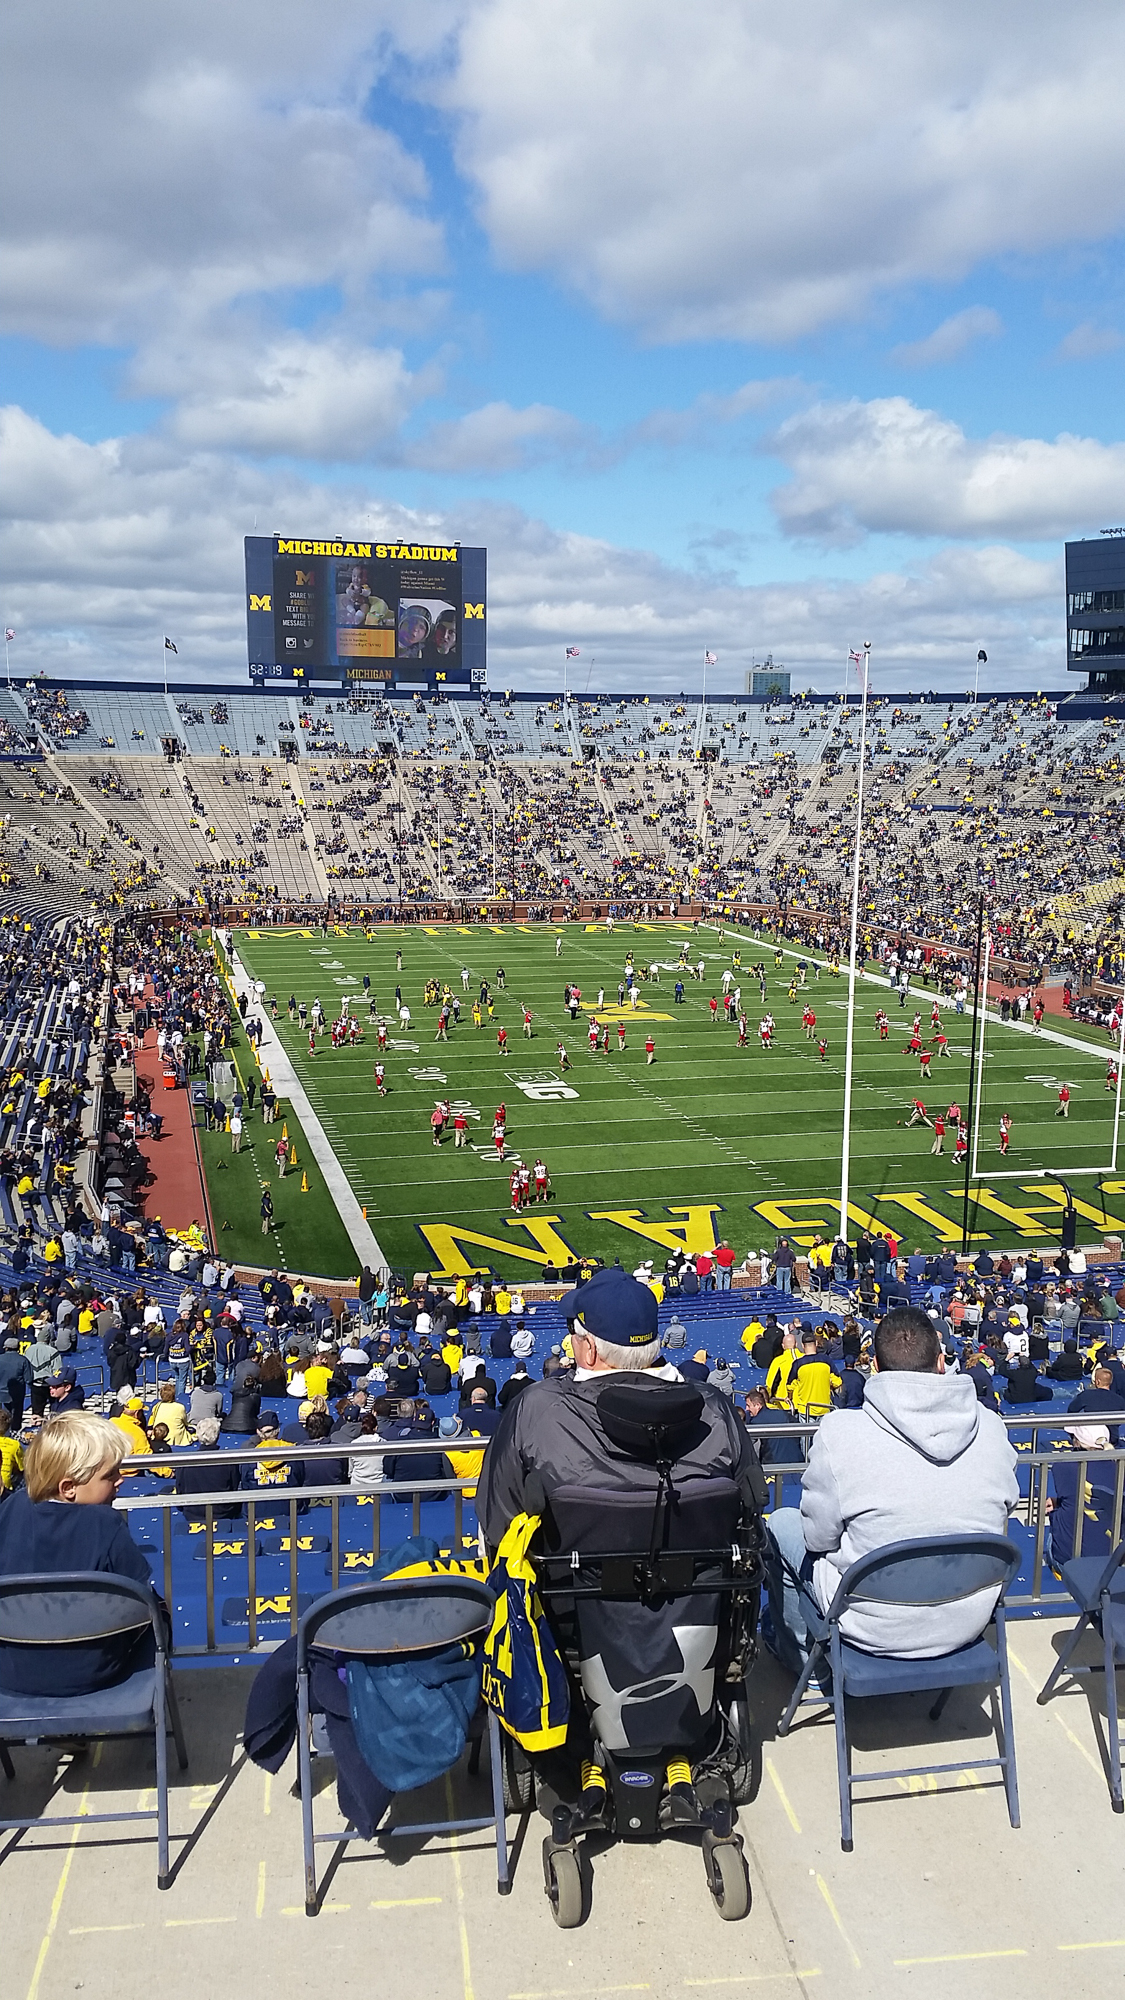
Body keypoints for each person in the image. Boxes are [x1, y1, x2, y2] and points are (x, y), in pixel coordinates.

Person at [762, 1306, 1019, 1670]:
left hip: (870, 1621)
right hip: (967, 1615)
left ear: (875, 1367)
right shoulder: (991, 1428)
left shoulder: (840, 1433)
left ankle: (804, 1661)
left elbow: (818, 1540)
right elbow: (1006, 1509)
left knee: (779, 1524)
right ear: (941, 1361)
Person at [477, 1266, 754, 1547]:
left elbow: (498, 1521)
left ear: (590, 1349)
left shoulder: (536, 1408)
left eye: (573, 1331)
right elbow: (749, 1511)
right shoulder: (715, 1408)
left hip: (571, 1574)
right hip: (701, 1574)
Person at [0, 1415, 157, 1695]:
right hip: (92, 1672)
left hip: (11, 1671)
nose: (120, 1480)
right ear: (68, 1487)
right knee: (160, 1611)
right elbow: (140, 1599)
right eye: (110, 1475)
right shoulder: (105, 1524)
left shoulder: (10, 1509)